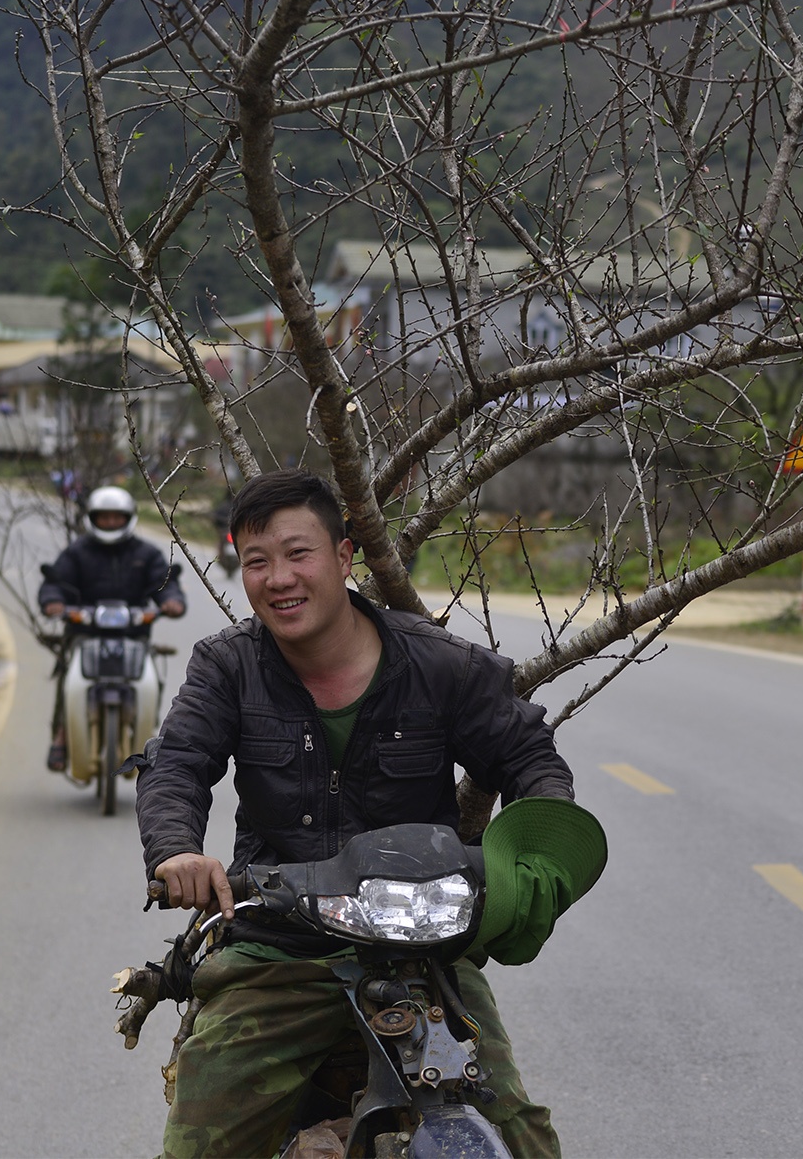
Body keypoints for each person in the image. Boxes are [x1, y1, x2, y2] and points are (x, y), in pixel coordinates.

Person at [135, 469, 574, 1158]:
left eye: (298, 553)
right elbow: (177, 764)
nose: (279, 578)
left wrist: (536, 854)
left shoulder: (441, 664)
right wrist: (175, 850)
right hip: (277, 947)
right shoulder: (227, 667)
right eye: (257, 561)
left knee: (519, 1137)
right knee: (200, 1146)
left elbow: (531, 758)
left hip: (422, 955)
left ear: (343, 557)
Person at [38, 485, 186, 772]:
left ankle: (151, 734)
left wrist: (171, 601)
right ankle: (61, 735)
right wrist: (54, 601)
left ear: (128, 517)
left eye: (116, 517)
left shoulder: (147, 554)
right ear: (93, 518)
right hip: (85, 631)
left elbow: (165, 583)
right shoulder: (77, 552)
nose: (110, 522)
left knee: (152, 679)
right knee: (67, 676)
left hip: (134, 634)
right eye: (104, 517)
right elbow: (55, 582)